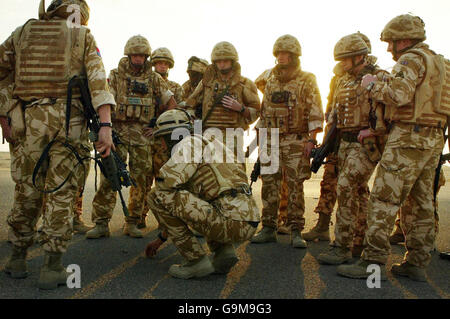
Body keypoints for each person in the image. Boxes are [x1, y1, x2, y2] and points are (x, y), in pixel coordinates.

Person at [0, 0, 115, 289]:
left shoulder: (23, 32)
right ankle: (52, 268)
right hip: (69, 123)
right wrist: (105, 126)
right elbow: (98, 81)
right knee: (62, 194)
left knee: (27, 189)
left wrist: (5, 113)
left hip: (29, 122)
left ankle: (17, 258)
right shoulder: (83, 36)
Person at [338, 14, 449, 282]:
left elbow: (397, 95)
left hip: (408, 138)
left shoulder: (411, 59)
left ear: (406, 40)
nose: (389, 49)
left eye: (392, 42)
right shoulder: (443, 64)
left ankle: (372, 263)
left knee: (383, 200)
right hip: (433, 139)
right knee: (420, 203)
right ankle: (417, 264)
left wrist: (372, 85)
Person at [144, 109, 260, 279]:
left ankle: (195, 261)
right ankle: (224, 252)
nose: (161, 146)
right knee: (204, 197)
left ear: (168, 137)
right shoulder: (214, 144)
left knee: (156, 195)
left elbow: (166, 184)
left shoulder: (187, 145)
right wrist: (161, 239)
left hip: (227, 221)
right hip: (247, 221)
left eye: (161, 139)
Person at [87, 35, 177, 239]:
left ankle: (133, 222)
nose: (138, 59)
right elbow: (105, 99)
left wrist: (156, 125)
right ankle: (101, 223)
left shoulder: (154, 79)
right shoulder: (116, 75)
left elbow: (171, 104)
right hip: (117, 134)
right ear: (129, 54)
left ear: (146, 57)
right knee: (110, 176)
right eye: (135, 55)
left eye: (142, 55)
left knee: (141, 181)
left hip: (142, 137)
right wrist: (105, 127)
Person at [316, 34, 387, 265]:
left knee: (345, 187)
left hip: (365, 144)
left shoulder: (379, 76)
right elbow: (336, 111)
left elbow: (394, 110)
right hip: (344, 142)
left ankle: (341, 247)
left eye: (346, 59)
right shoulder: (344, 80)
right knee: (357, 192)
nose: (343, 63)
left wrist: (376, 131)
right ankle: (358, 242)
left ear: (360, 57)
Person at [250, 34, 324, 248]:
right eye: (279, 54)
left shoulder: (307, 79)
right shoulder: (270, 79)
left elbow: (315, 109)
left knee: (294, 186)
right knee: (269, 185)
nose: (281, 57)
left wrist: (312, 140)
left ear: (294, 56)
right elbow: (265, 110)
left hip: (295, 140)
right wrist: (260, 138)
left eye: (286, 54)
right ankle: (268, 228)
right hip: (271, 139)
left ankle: (295, 230)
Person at [129, 47, 183, 229]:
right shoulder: (146, 83)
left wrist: (157, 128)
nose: (162, 66)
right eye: (158, 63)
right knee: (140, 181)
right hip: (143, 140)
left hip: (164, 144)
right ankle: (137, 217)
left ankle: (164, 220)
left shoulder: (175, 88)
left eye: (165, 63)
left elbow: (178, 113)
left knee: (164, 183)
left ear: (170, 66)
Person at [185, 41, 260, 162]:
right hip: (208, 136)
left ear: (232, 61)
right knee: (209, 176)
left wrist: (240, 108)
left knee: (235, 175)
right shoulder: (206, 83)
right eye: (219, 61)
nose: (222, 64)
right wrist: (194, 121)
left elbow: (257, 110)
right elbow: (190, 104)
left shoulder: (244, 84)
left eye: (225, 61)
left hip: (233, 137)